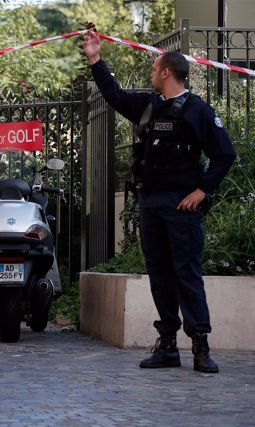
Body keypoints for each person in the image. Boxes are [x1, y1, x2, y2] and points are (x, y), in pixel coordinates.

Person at [83, 31, 236, 373]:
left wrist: (203, 191)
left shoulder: (197, 111)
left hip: (182, 206)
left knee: (187, 274)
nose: (152, 74)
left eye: (154, 69)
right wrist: (95, 59)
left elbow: (225, 154)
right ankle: (167, 345)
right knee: (159, 274)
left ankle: (200, 345)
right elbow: (113, 94)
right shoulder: (147, 105)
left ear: (167, 72)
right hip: (151, 203)